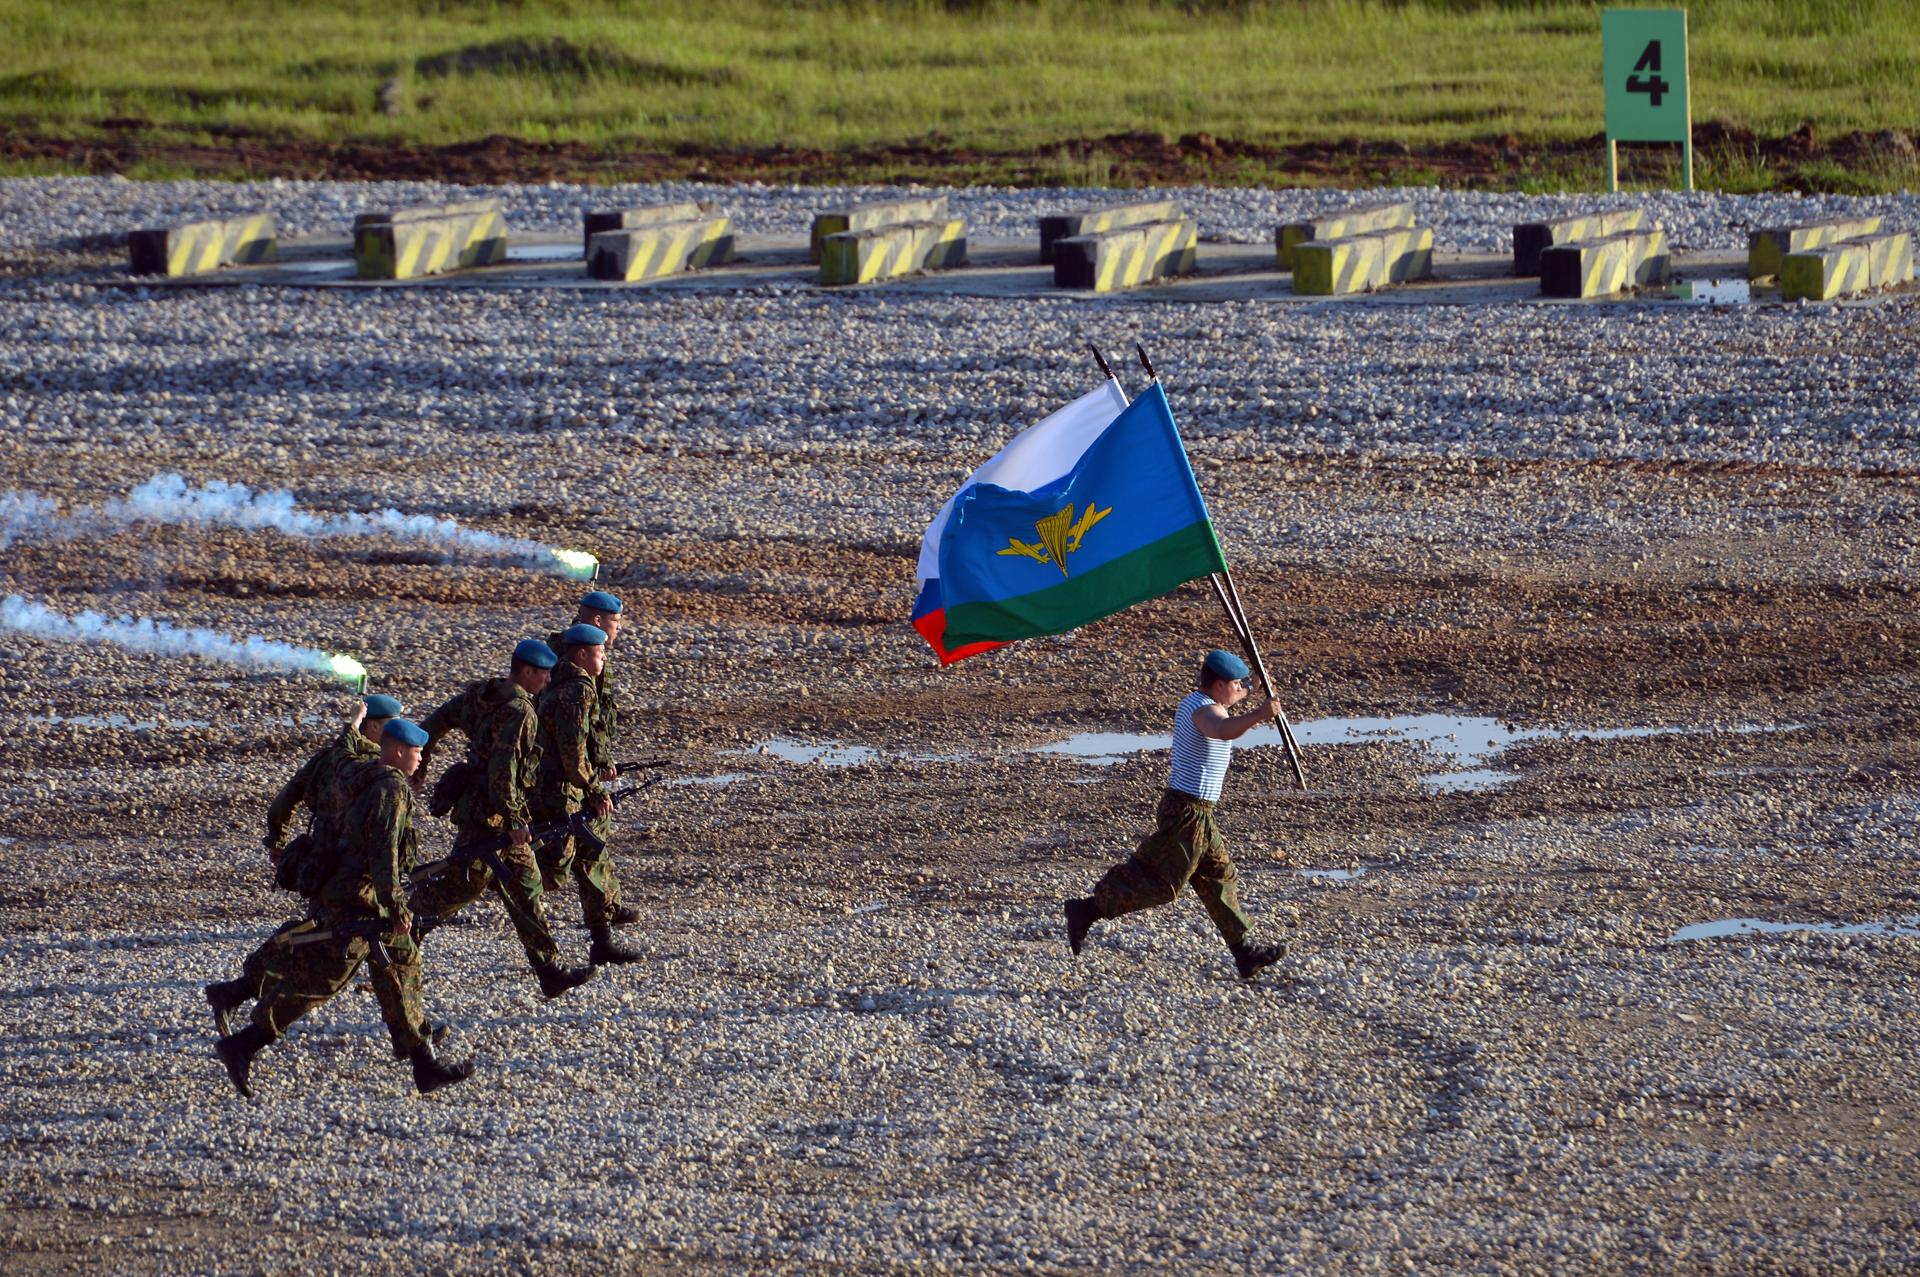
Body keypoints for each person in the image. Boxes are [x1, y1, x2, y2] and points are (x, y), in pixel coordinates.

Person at [214, 719, 472, 1097]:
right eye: (416, 751)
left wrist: (353, 722)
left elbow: (340, 758)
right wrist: (396, 907)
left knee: (401, 969)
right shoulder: (391, 789)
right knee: (323, 979)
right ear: (398, 750)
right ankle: (242, 1043)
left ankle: (424, 1062)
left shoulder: (360, 772)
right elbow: (383, 854)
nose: (421, 759)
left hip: (352, 892)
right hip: (361, 901)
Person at [1063, 649, 1289, 981]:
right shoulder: (1202, 710)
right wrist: (1260, 714)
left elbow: (1232, 702)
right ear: (1218, 683)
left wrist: (1254, 686)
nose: (1239, 688)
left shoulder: (1208, 700)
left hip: (1201, 812)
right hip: (1186, 811)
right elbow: (1222, 729)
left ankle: (1244, 954)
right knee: (1164, 884)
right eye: (1235, 683)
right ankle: (1087, 909)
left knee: (1219, 876)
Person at [410, 639, 596, 999]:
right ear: (526, 672)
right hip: (489, 820)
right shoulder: (519, 712)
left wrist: (424, 762)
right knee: (457, 888)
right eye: (543, 674)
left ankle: (550, 971)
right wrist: (513, 819)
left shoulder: (482, 695)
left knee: (527, 890)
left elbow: (434, 723)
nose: (548, 680)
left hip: (495, 814)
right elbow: (502, 771)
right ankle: (394, 937)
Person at [533, 623, 641, 965]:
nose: (605, 657)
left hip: (560, 787)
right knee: (551, 869)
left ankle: (602, 940)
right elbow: (571, 750)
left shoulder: (558, 679)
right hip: (558, 792)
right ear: (581, 655)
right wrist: (593, 788)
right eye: (600, 652)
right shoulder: (577, 690)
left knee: (591, 857)